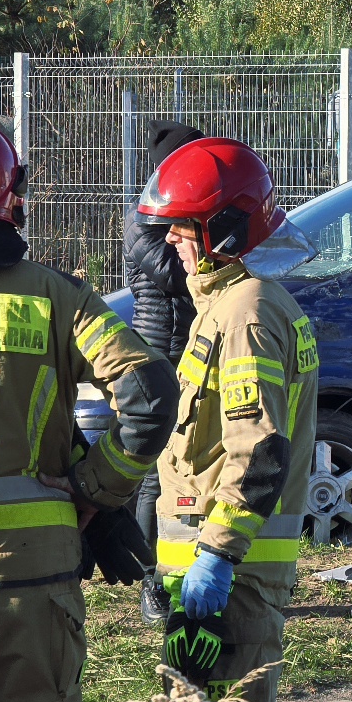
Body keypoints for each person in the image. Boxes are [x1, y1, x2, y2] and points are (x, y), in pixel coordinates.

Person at [0, 114, 177, 702]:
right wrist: (102, 486)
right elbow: (148, 393)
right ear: (14, 195)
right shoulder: (56, 297)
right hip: (34, 576)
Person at [137, 137, 317, 702]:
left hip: (229, 576)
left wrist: (216, 552)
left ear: (225, 231)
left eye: (182, 230)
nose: (170, 242)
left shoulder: (246, 314)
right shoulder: (233, 305)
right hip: (216, 569)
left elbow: (258, 449)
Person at [125, 120, 204, 623]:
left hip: (194, 349)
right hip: (157, 356)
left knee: (196, 465)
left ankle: (199, 564)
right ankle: (149, 580)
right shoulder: (144, 221)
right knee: (156, 474)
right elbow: (178, 275)